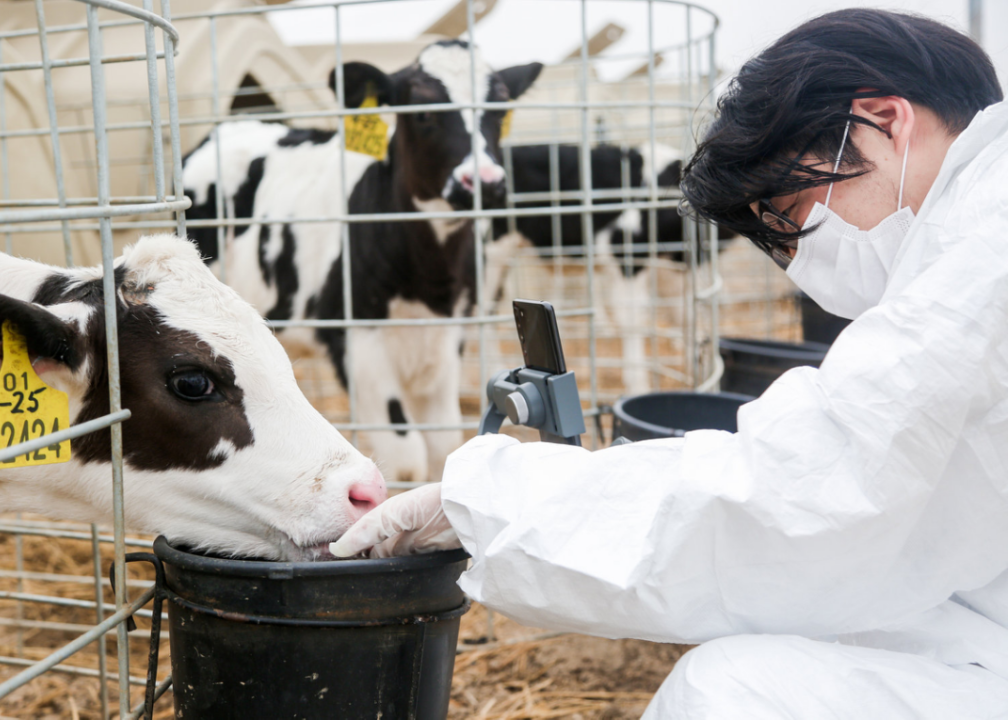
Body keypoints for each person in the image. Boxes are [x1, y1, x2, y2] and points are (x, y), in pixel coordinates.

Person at [330, 9, 1008, 718]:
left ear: (883, 120)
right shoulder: (969, 235)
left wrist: (482, 502)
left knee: (730, 693)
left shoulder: (976, 269)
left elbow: (799, 499)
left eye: (796, 213)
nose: (802, 263)